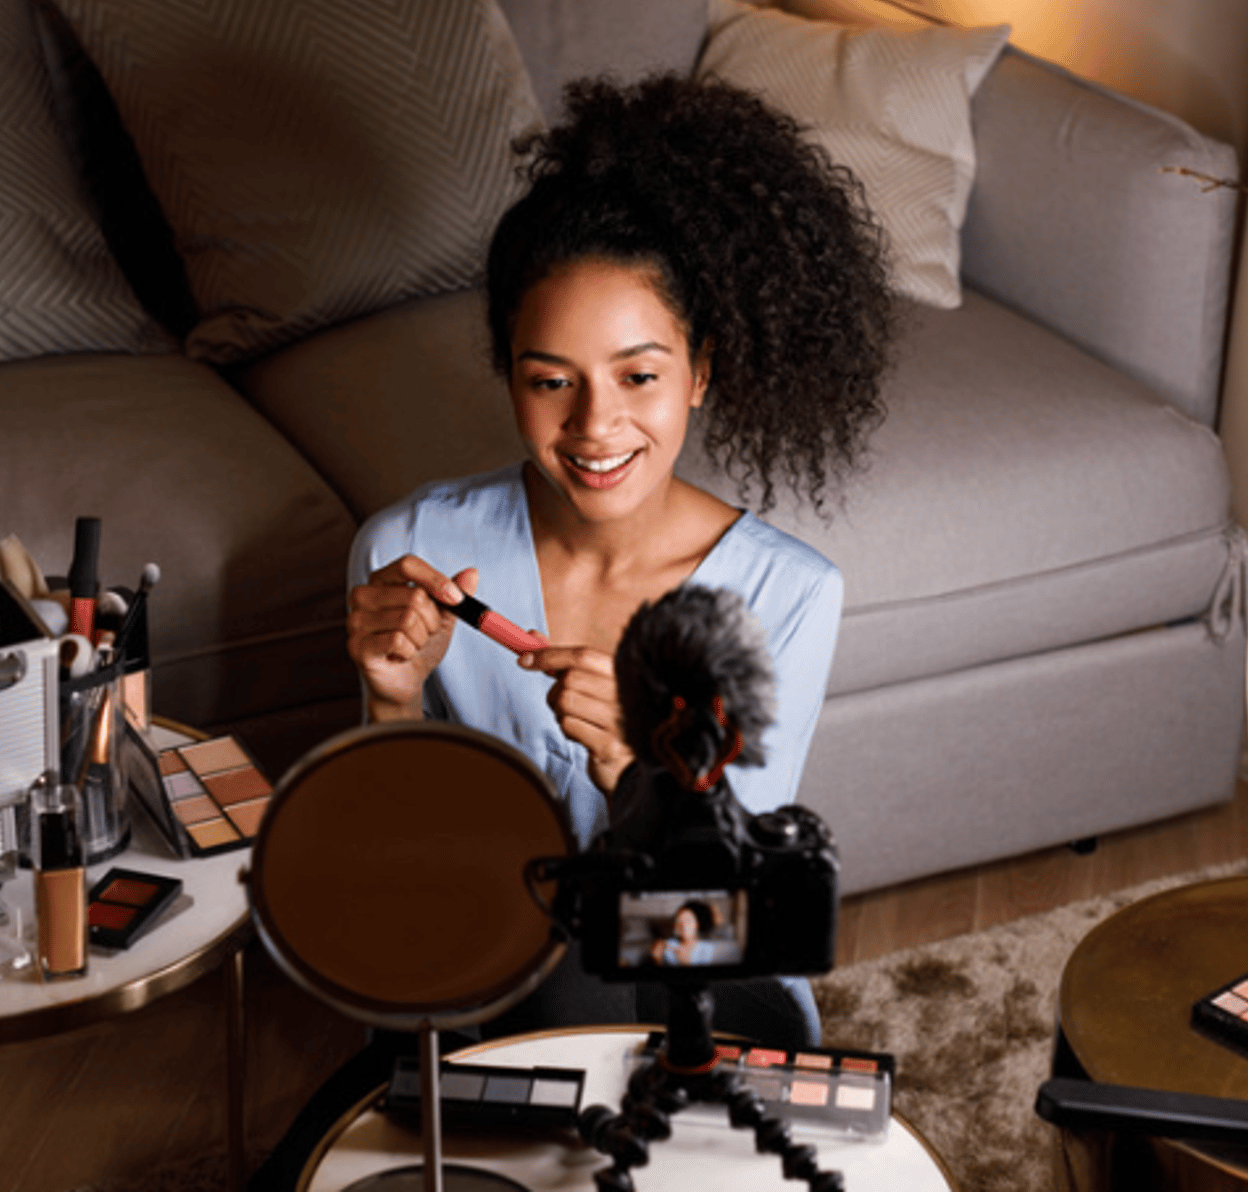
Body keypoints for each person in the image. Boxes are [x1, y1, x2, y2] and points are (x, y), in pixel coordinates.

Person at [345, 73, 890, 1044]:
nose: (596, 427)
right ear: (509, 376)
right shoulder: (407, 553)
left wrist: (640, 778)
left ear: (702, 372)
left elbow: (725, 913)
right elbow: (395, 866)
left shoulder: (788, 595)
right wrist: (391, 702)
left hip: (709, 981)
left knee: (572, 985)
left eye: (639, 376)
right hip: (482, 962)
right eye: (552, 381)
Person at [650, 900, 721, 968]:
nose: (683, 926)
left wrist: (685, 963)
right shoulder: (670, 944)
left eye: (688, 921)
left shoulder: (706, 948)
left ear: (698, 924)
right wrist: (657, 960)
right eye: (679, 921)